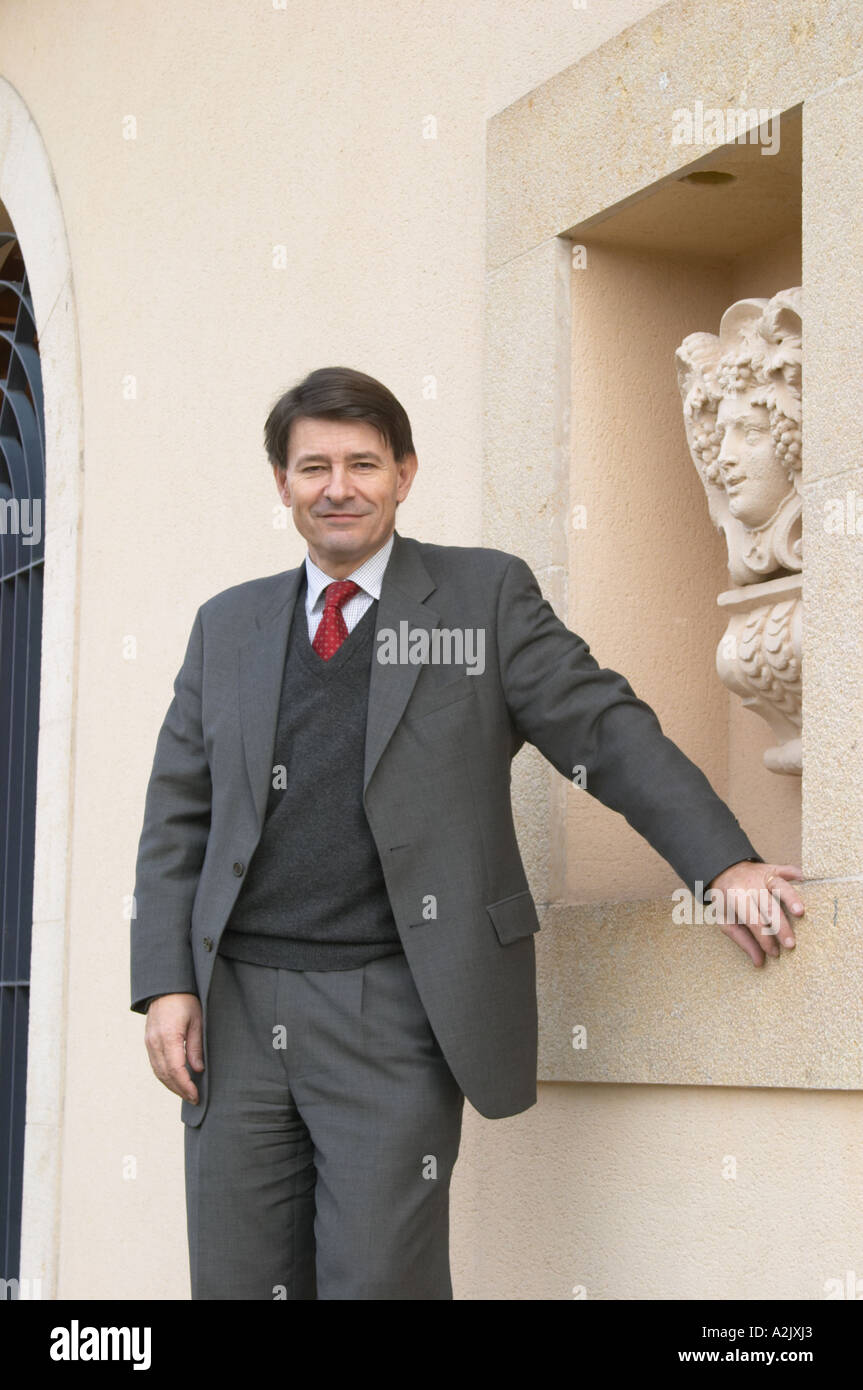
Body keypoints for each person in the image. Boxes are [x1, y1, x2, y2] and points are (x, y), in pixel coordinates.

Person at [130, 365, 805, 1300]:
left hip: (393, 1004)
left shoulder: (480, 599)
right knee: (238, 1282)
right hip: (235, 1011)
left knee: (378, 1281)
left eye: (362, 463)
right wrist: (167, 984)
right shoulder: (226, 626)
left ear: (405, 473)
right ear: (281, 483)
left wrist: (719, 860)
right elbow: (178, 818)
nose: (338, 486)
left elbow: (600, 731)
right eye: (313, 465)